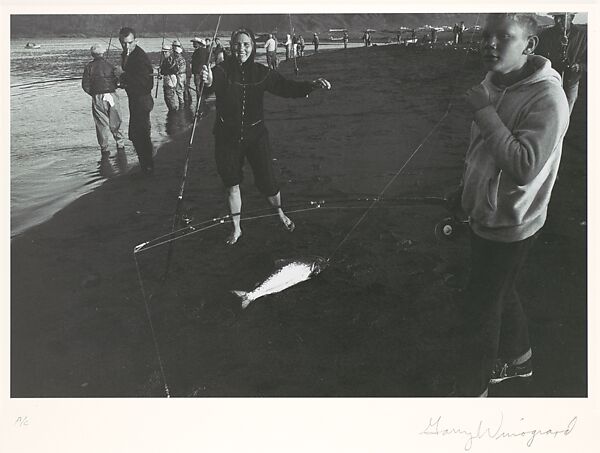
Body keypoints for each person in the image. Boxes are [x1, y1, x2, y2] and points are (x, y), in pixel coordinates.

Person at [457, 13, 569, 396]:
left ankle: (474, 394)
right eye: (486, 35)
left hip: (513, 223)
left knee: (480, 308)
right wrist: (464, 190)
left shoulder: (548, 97)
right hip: (485, 213)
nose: (490, 43)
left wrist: (484, 112)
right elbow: (480, 152)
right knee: (501, 290)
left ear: (529, 44)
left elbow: (524, 166)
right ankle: (520, 361)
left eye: (503, 37)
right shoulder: (493, 83)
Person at [201, 28, 332, 245]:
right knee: (231, 182)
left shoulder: (262, 72)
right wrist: (207, 81)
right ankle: (236, 228)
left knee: (268, 182)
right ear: (231, 46)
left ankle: (279, 213)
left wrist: (312, 85)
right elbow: (212, 84)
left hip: (256, 136)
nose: (241, 48)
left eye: (246, 44)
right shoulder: (222, 70)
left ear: (252, 47)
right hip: (227, 137)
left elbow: (286, 87)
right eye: (237, 44)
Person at [118, 27, 155, 174]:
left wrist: (123, 75)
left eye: (129, 43)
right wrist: (123, 83)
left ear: (136, 41)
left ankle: (148, 166)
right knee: (136, 134)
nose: (126, 46)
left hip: (143, 100)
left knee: (140, 134)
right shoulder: (127, 55)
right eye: (123, 43)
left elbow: (146, 83)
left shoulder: (139, 57)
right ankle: (145, 164)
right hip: (135, 99)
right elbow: (134, 80)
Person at [535, 13, 587, 115]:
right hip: (552, 80)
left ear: (571, 18)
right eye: (556, 17)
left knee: (566, 111)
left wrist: (579, 66)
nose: (558, 21)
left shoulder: (582, 35)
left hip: (571, 80)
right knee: (551, 110)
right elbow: (539, 55)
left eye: (562, 17)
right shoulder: (547, 34)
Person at [81, 43, 125, 158]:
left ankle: (104, 148)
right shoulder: (110, 65)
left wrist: (94, 94)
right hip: (111, 95)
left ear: (92, 54)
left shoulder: (88, 67)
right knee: (116, 121)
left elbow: (85, 85)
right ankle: (120, 144)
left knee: (101, 124)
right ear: (102, 53)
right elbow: (118, 81)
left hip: (97, 97)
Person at [158, 44, 180, 112]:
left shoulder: (171, 60)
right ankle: (172, 111)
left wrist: (163, 71)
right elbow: (163, 71)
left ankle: (173, 111)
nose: (164, 53)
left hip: (171, 80)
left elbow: (174, 70)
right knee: (167, 98)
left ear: (169, 52)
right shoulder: (165, 60)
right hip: (167, 80)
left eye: (166, 52)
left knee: (169, 97)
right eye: (163, 52)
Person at [190, 37, 209, 102]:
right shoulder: (205, 50)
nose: (193, 44)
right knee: (203, 87)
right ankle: (203, 100)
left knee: (198, 87)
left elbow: (196, 62)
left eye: (194, 43)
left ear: (198, 44)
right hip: (204, 71)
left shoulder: (198, 51)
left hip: (197, 72)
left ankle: (199, 100)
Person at [171, 40, 187, 109]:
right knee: (182, 88)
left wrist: (175, 71)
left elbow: (179, 68)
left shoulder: (178, 59)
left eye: (175, 52)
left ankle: (182, 103)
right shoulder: (182, 58)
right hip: (183, 75)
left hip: (180, 75)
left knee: (179, 89)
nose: (175, 53)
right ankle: (184, 101)